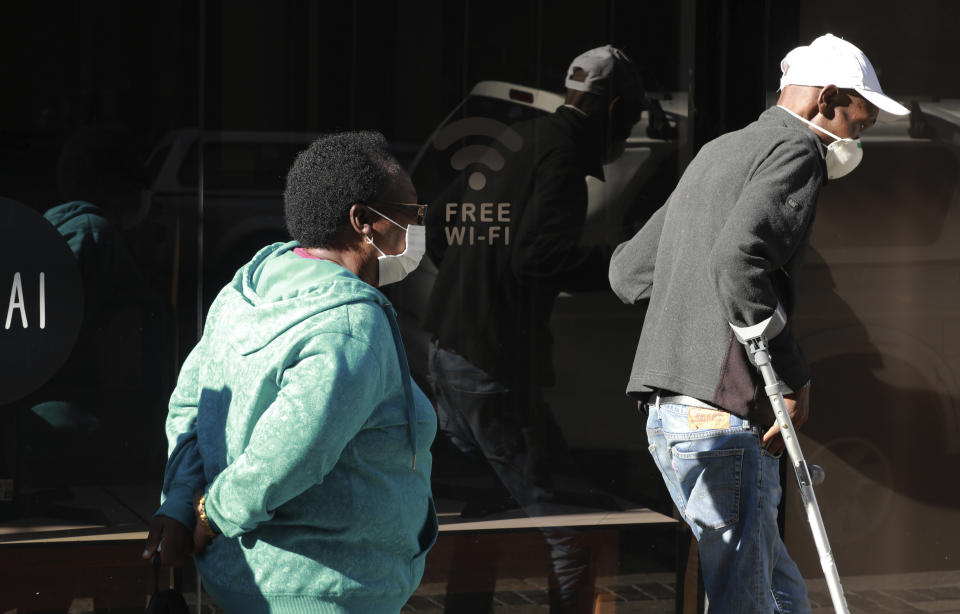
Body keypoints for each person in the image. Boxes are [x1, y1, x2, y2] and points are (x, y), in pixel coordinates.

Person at [608, 33, 908, 612]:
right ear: (827, 100)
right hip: (722, 415)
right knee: (746, 597)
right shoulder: (798, 151)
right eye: (860, 123)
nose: (856, 138)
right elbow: (738, 262)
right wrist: (795, 377)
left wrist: (692, 302)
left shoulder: (722, 149)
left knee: (775, 588)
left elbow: (628, 270)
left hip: (668, 414)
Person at [141, 131, 438, 614]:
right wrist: (206, 514)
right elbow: (293, 452)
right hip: (324, 590)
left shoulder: (243, 293)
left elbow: (191, 408)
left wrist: (179, 501)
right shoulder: (350, 323)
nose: (417, 229)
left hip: (242, 579)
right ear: (363, 221)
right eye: (410, 214)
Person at [422, 45, 644, 612]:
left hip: (449, 351)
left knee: (487, 516)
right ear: (613, 108)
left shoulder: (512, 139)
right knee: (569, 526)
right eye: (632, 118)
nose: (630, 130)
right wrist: (625, 264)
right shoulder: (564, 159)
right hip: (491, 363)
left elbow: (441, 229)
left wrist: (479, 287)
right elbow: (539, 259)